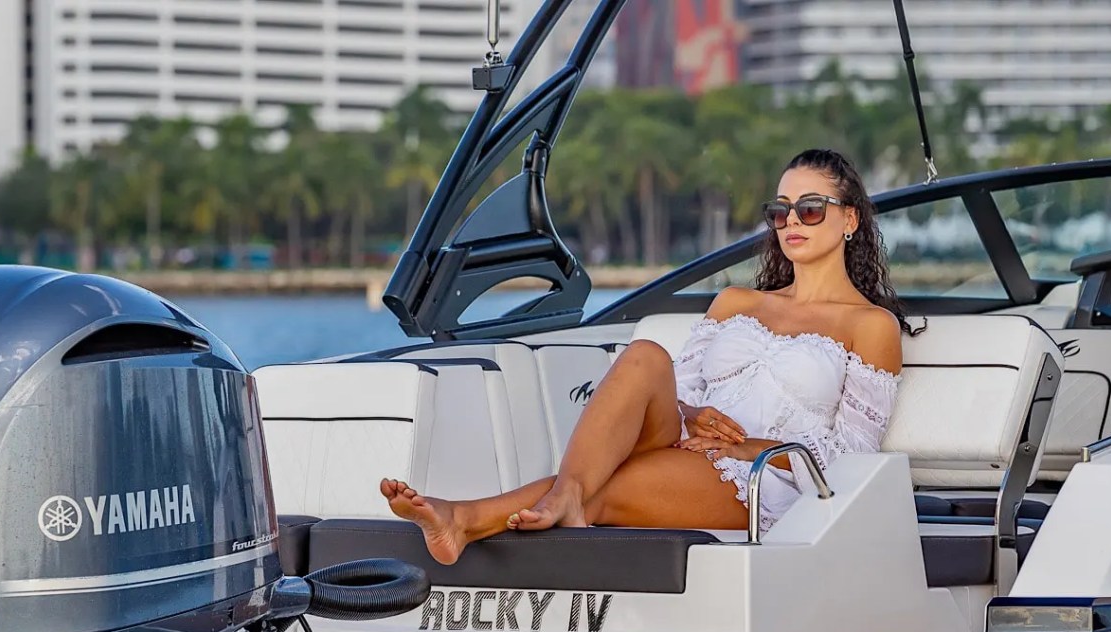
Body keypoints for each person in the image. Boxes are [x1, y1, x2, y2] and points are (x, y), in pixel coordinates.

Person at [380, 148, 916, 565]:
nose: (792, 221)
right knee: (643, 355)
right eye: (780, 211)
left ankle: (473, 517)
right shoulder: (736, 302)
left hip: (767, 481)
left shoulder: (870, 326)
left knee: (609, 486)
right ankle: (529, 503)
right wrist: (692, 416)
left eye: (810, 208)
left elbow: (853, 460)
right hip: (682, 442)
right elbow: (678, 392)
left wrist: (749, 446)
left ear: (850, 220)